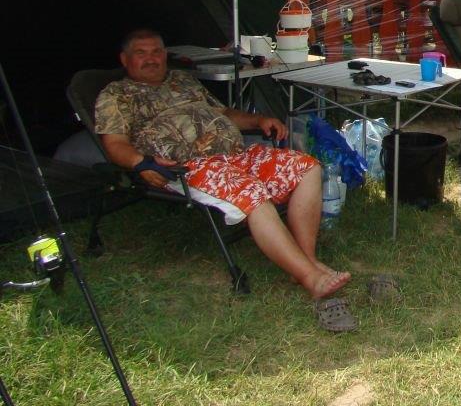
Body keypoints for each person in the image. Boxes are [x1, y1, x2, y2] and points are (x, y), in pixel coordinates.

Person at [95, 29, 356, 331]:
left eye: (157, 51)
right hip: (189, 166)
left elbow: (224, 113)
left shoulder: (183, 81)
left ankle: (303, 262)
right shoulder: (116, 95)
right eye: (142, 53)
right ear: (124, 59)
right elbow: (113, 143)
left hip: (235, 155)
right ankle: (312, 279)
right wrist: (141, 163)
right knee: (251, 192)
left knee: (307, 167)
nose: (151, 58)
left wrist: (258, 121)